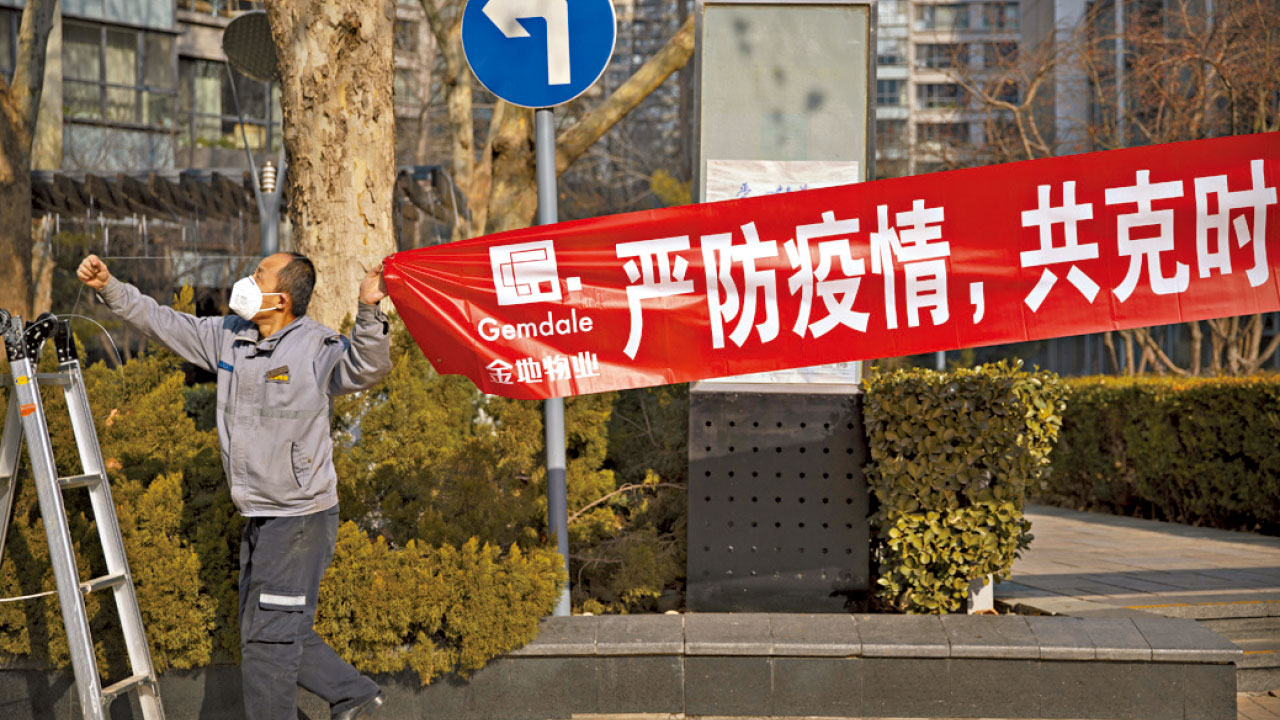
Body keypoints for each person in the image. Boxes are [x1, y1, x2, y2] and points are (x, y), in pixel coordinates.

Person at [77, 252, 392, 720]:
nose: (246, 280)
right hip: (260, 517)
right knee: (272, 629)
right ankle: (354, 695)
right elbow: (161, 322)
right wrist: (109, 287)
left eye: (258, 275)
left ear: (281, 298)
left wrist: (369, 311)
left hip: (299, 519)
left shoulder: (316, 346)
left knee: (269, 647)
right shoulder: (229, 337)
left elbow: (364, 368)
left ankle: (350, 696)